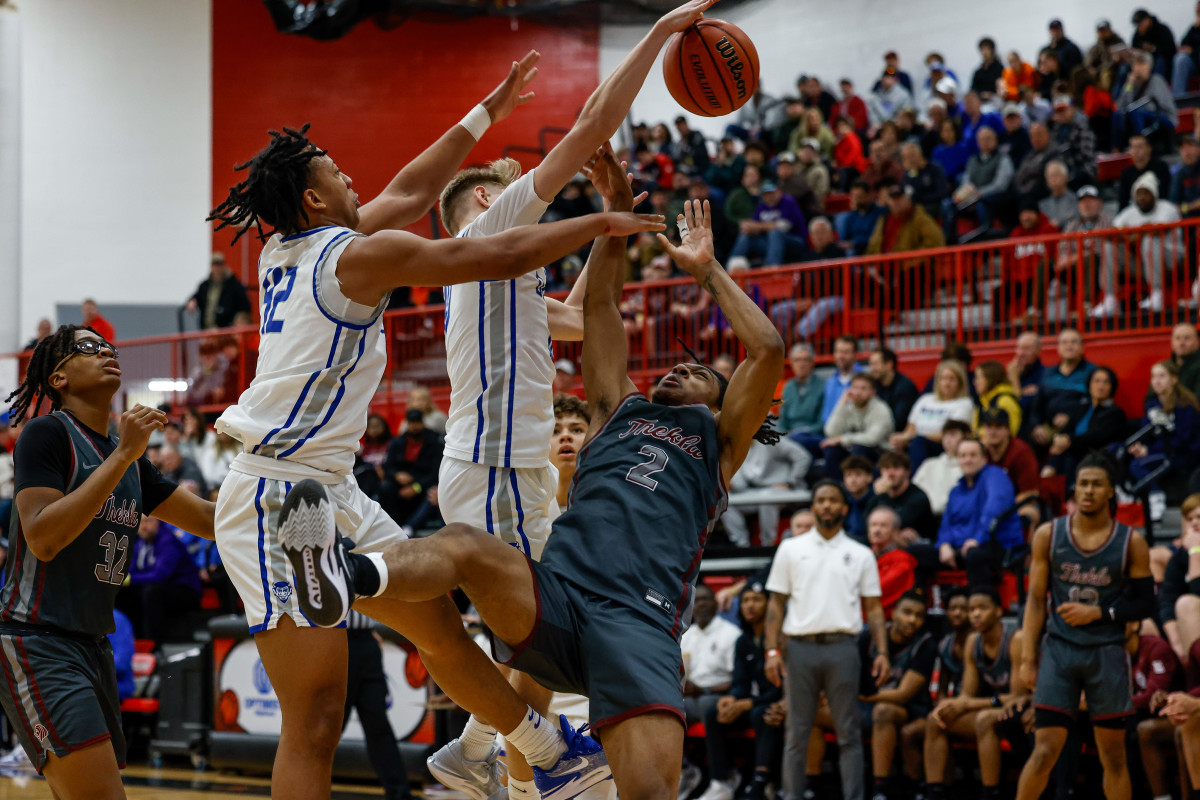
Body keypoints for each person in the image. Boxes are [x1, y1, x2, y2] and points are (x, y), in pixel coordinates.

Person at [204, 62, 668, 800]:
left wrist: (487, 108)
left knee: (440, 626)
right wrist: (601, 223)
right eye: (337, 173)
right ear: (314, 197)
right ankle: (542, 757)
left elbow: (416, 190)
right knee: (318, 717)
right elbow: (492, 252)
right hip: (279, 493)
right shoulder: (354, 254)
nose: (356, 179)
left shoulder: (285, 252)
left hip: (330, 489)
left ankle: (535, 753)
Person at [281, 194, 785, 800]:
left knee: (650, 793)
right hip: (559, 595)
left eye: (699, 372)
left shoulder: (721, 443)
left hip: (639, 620)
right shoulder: (614, 408)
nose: (679, 369)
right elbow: (599, 304)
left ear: (725, 400)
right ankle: (344, 573)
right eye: (676, 367)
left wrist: (706, 269)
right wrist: (614, 220)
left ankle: (502, 764)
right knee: (467, 544)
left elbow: (768, 350)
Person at [0, 326, 216, 799]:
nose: (105, 352)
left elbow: (211, 521)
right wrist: (122, 456)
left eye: (108, 346)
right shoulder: (47, 434)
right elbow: (43, 539)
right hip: (38, 639)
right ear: (57, 377)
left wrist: (276, 489)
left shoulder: (131, 462)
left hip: (93, 645)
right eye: (88, 347)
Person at [1014, 454, 1154, 800]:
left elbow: (1146, 605)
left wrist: (1100, 614)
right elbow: (1034, 601)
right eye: (1083, 483)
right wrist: (1028, 657)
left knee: (1114, 757)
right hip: (1060, 649)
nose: (1088, 490)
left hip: (1106, 652)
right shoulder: (1049, 534)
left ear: (1111, 491)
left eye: (1097, 483)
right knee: (1044, 750)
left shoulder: (1131, 542)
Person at [764, 480, 888, 800]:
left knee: (849, 733)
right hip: (799, 648)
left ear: (845, 508)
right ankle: (791, 795)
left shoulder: (860, 554)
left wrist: (882, 651)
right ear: (813, 506)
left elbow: (874, 609)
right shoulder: (791, 548)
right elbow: (776, 605)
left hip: (844, 647)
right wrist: (771, 650)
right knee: (796, 734)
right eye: (821, 500)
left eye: (834, 500)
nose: (827, 505)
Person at [923, 587, 1019, 800]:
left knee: (984, 720)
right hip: (993, 707)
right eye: (972, 609)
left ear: (997, 611)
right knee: (936, 719)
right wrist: (954, 704)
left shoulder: (1015, 639)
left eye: (982, 608)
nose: (975, 614)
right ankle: (935, 792)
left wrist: (967, 704)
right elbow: (967, 694)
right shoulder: (973, 642)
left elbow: (1018, 697)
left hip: (1020, 710)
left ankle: (990, 793)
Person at [698, 581, 784, 800]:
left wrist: (746, 703)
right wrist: (731, 699)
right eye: (745, 600)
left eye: (756, 600)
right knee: (714, 713)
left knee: (762, 714)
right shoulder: (743, 641)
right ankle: (721, 780)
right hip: (753, 702)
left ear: (768, 604)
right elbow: (740, 683)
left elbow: (783, 690)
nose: (749, 606)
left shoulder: (779, 639)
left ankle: (763, 781)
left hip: (778, 703)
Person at [860, 590, 935, 800]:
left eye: (919, 615)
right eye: (907, 612)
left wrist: (864, 696)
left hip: (909, 711)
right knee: (815, 713)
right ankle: (809, 785)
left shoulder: (925, 645)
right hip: (867, 707)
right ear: (893, 613)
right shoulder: (868, 638)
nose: (913, 620)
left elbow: (903, 695)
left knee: (884, 711)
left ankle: (879, 789)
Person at [343, 610, 415, 800]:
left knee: (378, 724)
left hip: (366, 639)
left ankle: (399, 794)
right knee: (331, 726)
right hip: (336, 637)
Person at [934, 437, 1023, 587]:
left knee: (974, 555)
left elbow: (994, 508)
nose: (968, 460)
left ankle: (981, 602)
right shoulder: (955, 491)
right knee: (917, 554)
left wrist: (977, 539)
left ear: (984, 458)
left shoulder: (995, 475)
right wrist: (944, 545)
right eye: (963, 456)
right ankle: (917, 604)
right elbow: (946, 523)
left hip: (996, 544)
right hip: (961, 548)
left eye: (973, 455)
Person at [118, 515, 202, 643]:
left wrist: (130, 579)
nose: (143, 527)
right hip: (158, 587)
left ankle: (153, 644)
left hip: (185, 590)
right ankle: (131, 641)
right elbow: (132, 570)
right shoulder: (140, 542)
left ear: (157, 521)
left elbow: (160, 575)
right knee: (123, 593)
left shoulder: (168, 541)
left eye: (147, 522)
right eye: (139, 523)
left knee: (152, 592)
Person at [722, 436, 811, 548]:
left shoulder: (771, 440)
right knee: (726, 500)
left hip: (785, 489)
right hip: (756, 491)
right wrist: (731, 483)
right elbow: (741, 484)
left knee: (766, 498)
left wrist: (791, 482)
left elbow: (802, 457)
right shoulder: (737, 448)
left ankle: (768, 544)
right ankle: (741, 544)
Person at [1113, 172, 1182, 313]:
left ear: (1154, 194)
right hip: (1141, 263)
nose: (1142, 198)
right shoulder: (1129, 212)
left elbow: (1156, 231)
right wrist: (1129, 237)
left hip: (1171, 260)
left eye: (1146, 193)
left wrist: (1132, 235)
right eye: (1139, 194)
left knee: (1150, 239)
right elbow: (1110, 233)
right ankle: (1109, 298)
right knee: (1109, 245)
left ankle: (1157, 293)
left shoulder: (1167, 208)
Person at [1043, 366, 1126, 483]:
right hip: (1071, 450)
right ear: (1089, 384)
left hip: (1096, 457)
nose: (1100, 386)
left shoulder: (1115, 413)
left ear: (1112, 386)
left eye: (1105, 382)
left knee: (1068, 457)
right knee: (1056, 454)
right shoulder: (1081, 407)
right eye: (1096, 381)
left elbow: (1096, 437)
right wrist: (1060, 439)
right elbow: (1067, 429)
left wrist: (1069, 441)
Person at [890, 360, 974, 471]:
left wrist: (913, 437)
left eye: (952, 379)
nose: (947, 383)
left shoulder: (964, 403)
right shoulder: (925, 399)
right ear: (937, 381)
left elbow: (949, 435)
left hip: (943, 447)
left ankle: (914, 482)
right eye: (943, 378)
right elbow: (910, 429)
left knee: (919, 443)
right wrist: (901, 438)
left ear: (960, 382)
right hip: (915, 443)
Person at [680, 584, 742, 732]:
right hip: (690, 697)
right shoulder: (686, 636)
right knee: (668, 708)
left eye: (705, 599)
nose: (700, 604)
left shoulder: (732, 634)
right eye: (696, 600)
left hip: (718, 695)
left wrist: (704, 689)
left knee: (706, 704)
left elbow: (736, 680)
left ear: (715, 604)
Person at [1053, 186, 1119, 319]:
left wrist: (1078, 256)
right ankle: (1034, 311)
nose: (1086, 205)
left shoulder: (1107, 221)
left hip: (1099, 267)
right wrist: (1076, 257)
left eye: (1091, 200)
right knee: (1045, 265)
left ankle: (1086, 304)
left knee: (1092, 259)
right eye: (1083, 201)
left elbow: (1100, 251)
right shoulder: (1072, 225)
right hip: (1074, 269)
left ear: (1100, 203)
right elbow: (1063, 250)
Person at [1031, 328, 1095, 449]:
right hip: (1049, 428)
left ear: (1082, 348)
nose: (1069, 346)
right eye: (1064, 342)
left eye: (1073, 342)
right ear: (1058, 348)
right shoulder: (1049, 374)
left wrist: (1071, 418)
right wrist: (1036, 426)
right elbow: (1037, 407)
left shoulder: (1092, 372)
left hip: (1078, 429)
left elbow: (1094, 405)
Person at [379, 409, 442, 530]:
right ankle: (392, 526)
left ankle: (410, 527)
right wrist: (397, 475)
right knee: (385, 488)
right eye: (411, 423)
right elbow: (388, 467)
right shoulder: (397, 442)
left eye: (417, 422)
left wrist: (416, 487)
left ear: (422, 422)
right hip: (401, 484)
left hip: (424, 483)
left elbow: (435, 472)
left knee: (433, 492)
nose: (414, 426)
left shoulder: (434, 441)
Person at [821, 374, 894, 476]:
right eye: (855, 387)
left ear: (873, 392)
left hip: (879, 451)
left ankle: (862, 487)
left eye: (863, 389)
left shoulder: (881, 409)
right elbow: (830, 432)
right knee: (832, 449)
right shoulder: (847, 406)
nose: (858, 392)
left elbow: (872, 439)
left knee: (860, 448)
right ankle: (835, 487)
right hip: (853, 449)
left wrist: (842, 439)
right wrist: (841, 403)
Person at [727, 181, 807, 268]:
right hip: (770, 244)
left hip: (794, 241)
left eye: (771, 193)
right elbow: (755, 227)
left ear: (778, 192)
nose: (769, 197)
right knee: (746, 236)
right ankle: (729, 270)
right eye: (766, 194)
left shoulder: (788, 202)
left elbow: (784, 226)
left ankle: (770, 271)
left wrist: (757, 226)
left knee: (775, 233)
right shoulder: (761, 207)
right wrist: (748, 228)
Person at [1159, 494, 1200, 664]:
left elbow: (1198, 594)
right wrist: (1175, 640)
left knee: (1187, 604)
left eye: (1199, 517)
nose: (1194, 523)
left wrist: (1196, 553)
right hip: (1189, 631)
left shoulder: (1192, 551)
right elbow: (1167, 598)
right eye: (1189, 519)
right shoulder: (1181, 556)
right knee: (1145, 624)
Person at [868, 451, 935, 542]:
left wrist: (881, 495)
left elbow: (896, 524)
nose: (890, 474)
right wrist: (878, 496)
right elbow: (867, 524)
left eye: (896, 468)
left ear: (907, 472)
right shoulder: (880, 495)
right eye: (886, 468)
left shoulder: (918, 497)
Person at [867, 507, 918, 618]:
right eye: (873, 525)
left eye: (883, 526)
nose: (877, 530)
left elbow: (877, 592)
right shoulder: (863, 556)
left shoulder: (902, 561)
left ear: (895, 531)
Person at [912, 420, 968, 516]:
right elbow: (914, 492)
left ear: (965, 438)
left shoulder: (968, 467)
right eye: (945, 435)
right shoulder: (929, 464)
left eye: (953, 435)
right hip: (925, 516)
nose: (948, 439)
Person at [779, 343, 825, 456]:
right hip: (791, 436)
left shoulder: (822, 385)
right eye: (797, 360)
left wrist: (803, 431)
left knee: (798, 442)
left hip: (813, 435)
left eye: (805, 360)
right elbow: (783, 420)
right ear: (792, 363)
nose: (801, 364)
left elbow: (822, 421)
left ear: (812, 362)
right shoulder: (788, 387)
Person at [187, 252, 253, 329]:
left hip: (225, 331)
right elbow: (197, 297)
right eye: (215, 265)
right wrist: (192, 301)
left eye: (220, 265)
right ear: (211, 267)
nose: (217, 268)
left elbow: (245, 307)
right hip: (206, 331)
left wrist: (236, 322)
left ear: (224, 266)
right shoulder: (205, 286)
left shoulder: (234, 285)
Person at [869, 348, 919, 434]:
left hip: (898, 435)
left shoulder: (905, 387)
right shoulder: (873, 384)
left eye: (875, 364)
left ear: (889, 364)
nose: (872, 368)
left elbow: (898, 421)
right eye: (871, 364)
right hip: (876, 432)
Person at [1117, 134, 1172, 211]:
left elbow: (1166, 195)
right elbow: (1123, 201)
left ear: (1149, 148)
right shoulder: (1126, 173)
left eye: (1139, 147)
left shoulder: (1160, 167)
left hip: (1159, 210)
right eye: (1133, 147)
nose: (1136, 151)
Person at [821, 335, 863, 424]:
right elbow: (826, 416)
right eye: (838, 351)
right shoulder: (830, 382)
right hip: (831, 433)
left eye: (846, 352)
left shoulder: (864, 380)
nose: (841, 356)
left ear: (855, 355)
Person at [973, 360, 1022, 436]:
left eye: (978, 377)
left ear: (990, 378)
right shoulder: (983, 402)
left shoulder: (1005, 401)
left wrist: (980, 433)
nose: (975, 382)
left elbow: (1011, 432)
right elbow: (974, 430)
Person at [1174, 2, 1200, 98]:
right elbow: (1184, 43)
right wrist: (1195, 28)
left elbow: (1193, 48)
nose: (1198, 12)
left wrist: (1193, 50)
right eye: (1197, 9)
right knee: (1181, 59)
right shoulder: (1195, 27)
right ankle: (1179, 98)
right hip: (1194, 62)